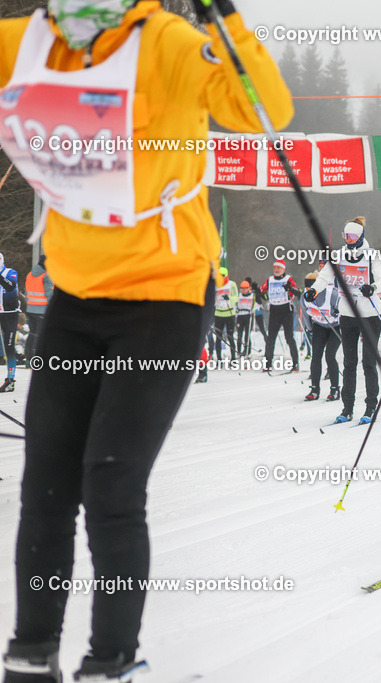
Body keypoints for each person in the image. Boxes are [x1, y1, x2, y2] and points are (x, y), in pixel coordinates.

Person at [0, 0, 292, 679]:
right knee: (45, 480)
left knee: (110, 481)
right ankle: (31, 654)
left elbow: (264, 109)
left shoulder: (166, 42)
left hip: (164, 295)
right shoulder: (32, 40)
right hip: (75, 295)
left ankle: (111, 660)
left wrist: (226, 20)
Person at [307, 217, 381, 422]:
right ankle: (347, 408)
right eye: (345, 236)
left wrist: (373, 288)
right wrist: (313, 290)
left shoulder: (371, 255)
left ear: (360, 237)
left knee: (368, 362)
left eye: (352, 236)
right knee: (349, 362)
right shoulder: (339, 255)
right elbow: (324, 276)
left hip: (369, 314)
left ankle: (370, 407)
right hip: (347, 314)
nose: (348, 240)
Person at [299, 270, 339, 401]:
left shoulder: (331, 294)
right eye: (307, 287)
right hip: (319, 327)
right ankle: (314, 389)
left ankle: (335, 389)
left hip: (336, 327)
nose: (309, 290)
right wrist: (310, 329)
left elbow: (344, 311)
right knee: (316, 356)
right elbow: (305, 316)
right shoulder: (304, 298)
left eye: (312, 287)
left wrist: (336, 315)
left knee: (330, 355)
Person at [260, 259, 300, 373]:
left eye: (279, 268)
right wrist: (257, 291)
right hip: (274, 312)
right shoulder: (270, 280)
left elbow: (298, 293)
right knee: (271, 338)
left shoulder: (288, 279)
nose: (276, 270)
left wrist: (290, 289)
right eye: (275, 268)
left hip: (286, 311)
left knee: (289, 337)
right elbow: (261, 292)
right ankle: (267, 364)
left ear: (283, 269)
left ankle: (295, 364)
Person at [24, 256, 52, 361]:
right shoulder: (47, 276)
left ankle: (28, 357)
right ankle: (38, 358)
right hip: (42, 310)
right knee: (40, 334)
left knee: (32, 333)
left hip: (30, 309)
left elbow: (26, 292)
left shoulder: (29, 274)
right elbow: (49, 293)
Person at [0, 254, 21, 392]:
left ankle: (10, 380)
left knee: (9, 347)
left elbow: (10, 287)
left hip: (10, 315)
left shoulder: (10, 272)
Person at [211, 266, 238, 361]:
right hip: (218, 314)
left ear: (226, 275)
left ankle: (233, 359)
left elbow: (236, 297)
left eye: (222, 275)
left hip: (229, 314)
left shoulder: (232, 284)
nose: (220, 277)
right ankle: (219, 360)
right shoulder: (215, 285)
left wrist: (229, 298)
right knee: (218, 338)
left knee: (230, 337)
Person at [235, 278, 257, 358]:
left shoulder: (252, 296)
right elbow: (235, 304)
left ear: (249, 288)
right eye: (242, 289)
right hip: (240, 316)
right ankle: (238, 351)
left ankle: (247, 351)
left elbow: (256, 304)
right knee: (239, 335)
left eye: (245, 289)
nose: (243, 290)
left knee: (247, 335)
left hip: (248, 316)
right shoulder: (239, 296)